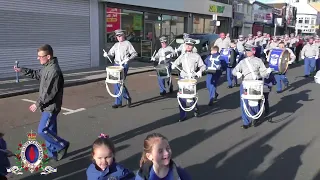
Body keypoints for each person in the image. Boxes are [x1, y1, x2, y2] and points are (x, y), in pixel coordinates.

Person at [13, 44, 69, 161]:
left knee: (43, 130)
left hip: (51, 107)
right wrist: (22, 70)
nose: (38, 58)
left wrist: (37, 104)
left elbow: (49, 93)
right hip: (47, 106)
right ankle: (52, 153)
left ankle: (62, 145)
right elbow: (37, 74)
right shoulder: (47, 67)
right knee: (50, 130)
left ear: (48, 56)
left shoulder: (54, 71)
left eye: (40, 56)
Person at [232, 44, 272, 129]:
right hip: (246, 84)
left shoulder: (258, 61)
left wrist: (267, 72)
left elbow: (262, 73)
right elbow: (234, 70)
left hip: (255, 83)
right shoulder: (242, 61)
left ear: (253, 51)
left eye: (249, 51)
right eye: (246, 51)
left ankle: (255, 118)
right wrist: (237, 73)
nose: (247, 52)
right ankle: (246, 122)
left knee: (254, 102)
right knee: (244, 103)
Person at [171, 38, 206, 122]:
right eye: (187, 45)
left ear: (192, 46)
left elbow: (203, 66)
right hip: (183, 78)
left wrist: (200, 71)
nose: (188, 46)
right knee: (181, 97)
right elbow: (175, 62)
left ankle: (195, 108)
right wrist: (173, 65)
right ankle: (182, 115)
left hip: (191, 78)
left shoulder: (196, 56)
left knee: (190, 96)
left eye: (190, 45)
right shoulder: (182, 55)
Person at [104, 29, 138, 108]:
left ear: (123, 35)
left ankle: (125, 98)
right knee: (116, 83)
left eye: (120, 36)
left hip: (123, 65)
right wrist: (107, 55)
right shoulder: (116, 45)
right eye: (117, 36)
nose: (118, 38)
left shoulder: (127, 43)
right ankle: (119, 101)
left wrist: (128, 59)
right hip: (116, 65)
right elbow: (111, 53)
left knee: (120, 82)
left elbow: (134, 53)